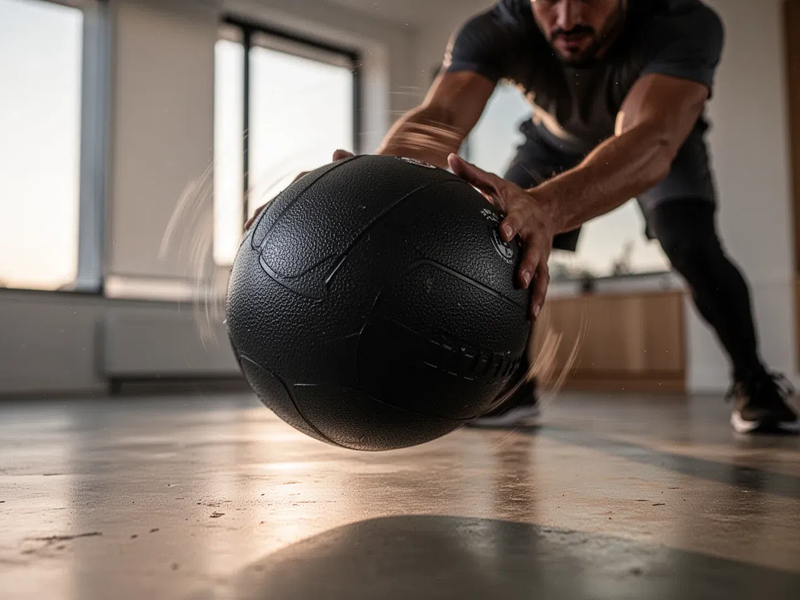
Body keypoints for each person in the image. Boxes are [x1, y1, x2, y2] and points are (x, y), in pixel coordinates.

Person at [248, 0, 799, 434]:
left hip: (653, 143)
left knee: (692, 245)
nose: (567, 16)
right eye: (549, 0)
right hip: (551, 144)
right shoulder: (497, 27)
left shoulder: (684, 21)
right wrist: (361, 183)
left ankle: (755, 380)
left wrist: (550, 206)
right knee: (502, 233)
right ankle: (513, 385)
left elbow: (648, 140)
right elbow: (440, 117)